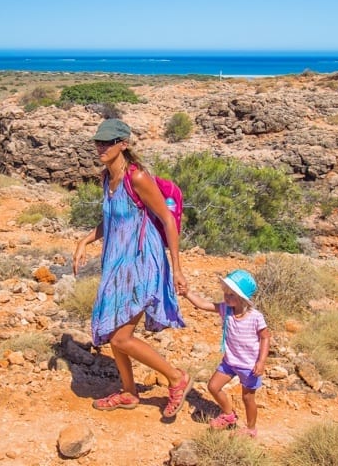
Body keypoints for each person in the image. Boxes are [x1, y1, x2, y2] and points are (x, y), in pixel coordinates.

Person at [73, 118, 193, 418]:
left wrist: (177, 269)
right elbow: (114, 217)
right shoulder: (106, 178)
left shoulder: (136, 177)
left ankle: (177, 378)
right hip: (117, 264)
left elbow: (166, 219)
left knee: (120, 337)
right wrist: (86, 240)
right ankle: (129, 392)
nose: (101, 147)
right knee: (115, 331)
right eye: (98, 142)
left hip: (143, 263)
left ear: (123, 144)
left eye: (108, 142)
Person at [179, 269, 270, 437]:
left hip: (249, 366)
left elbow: (265, 337)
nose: (226, 297)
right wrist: (187, 293)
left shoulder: (255, 317)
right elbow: (202, 304)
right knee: (213, 386)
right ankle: (229, 414)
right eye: (225, 293)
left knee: (248, 398)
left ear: (242, 297)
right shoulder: (225, 310)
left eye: (231, 294)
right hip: (229, 362)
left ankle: (251, 429)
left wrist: (261, 361)